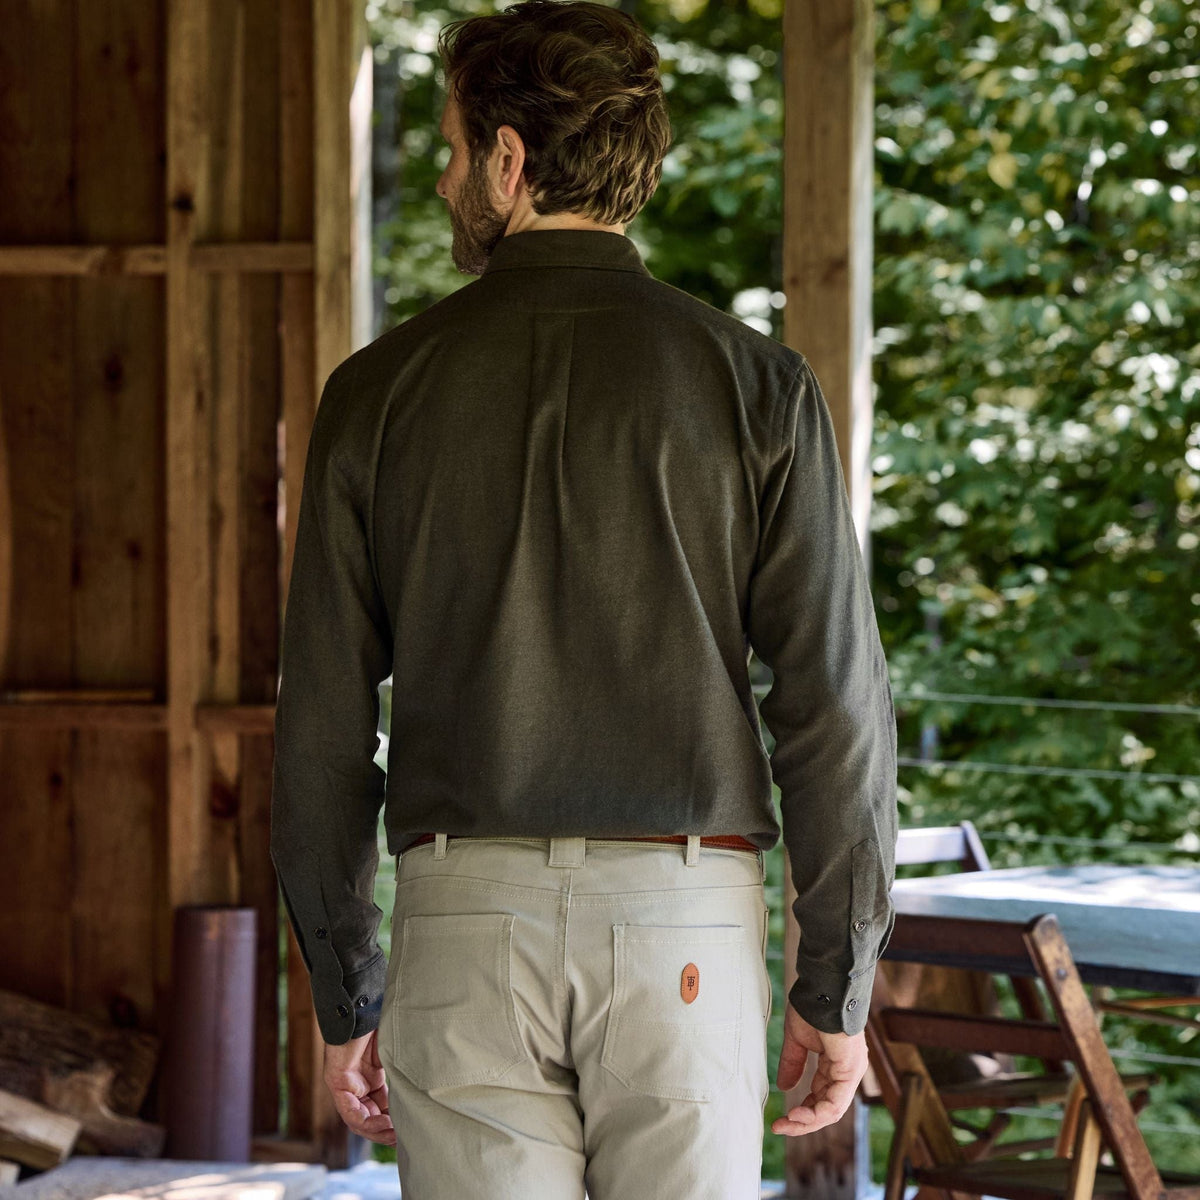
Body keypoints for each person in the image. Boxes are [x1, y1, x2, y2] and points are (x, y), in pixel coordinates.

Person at [269, 1, 898, 1195]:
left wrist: (344, 986)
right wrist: (837, 985)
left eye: (454, 150)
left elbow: (326, 725)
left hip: (465, 921)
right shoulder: (758, 387)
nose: (449, 175)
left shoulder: (376, 394)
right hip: (688, 930)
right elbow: (835, 706)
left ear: (510, 161)